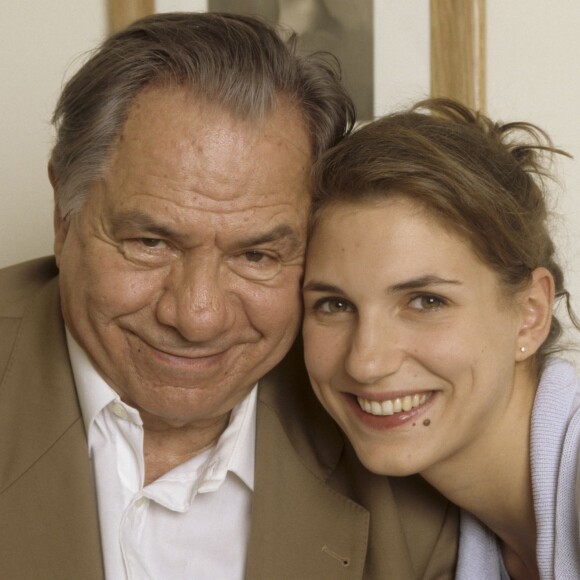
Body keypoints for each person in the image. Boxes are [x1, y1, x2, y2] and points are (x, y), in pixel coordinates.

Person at [0, 13, 458, 580]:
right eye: (151, 242)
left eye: (257, 256)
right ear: (63, 219)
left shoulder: (412, 467)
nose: (197, 317)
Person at [302, 97, 580, 580]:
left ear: (530, 315)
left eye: (426, 301)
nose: (366, 362)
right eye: (334, 305)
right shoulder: (464, 539)